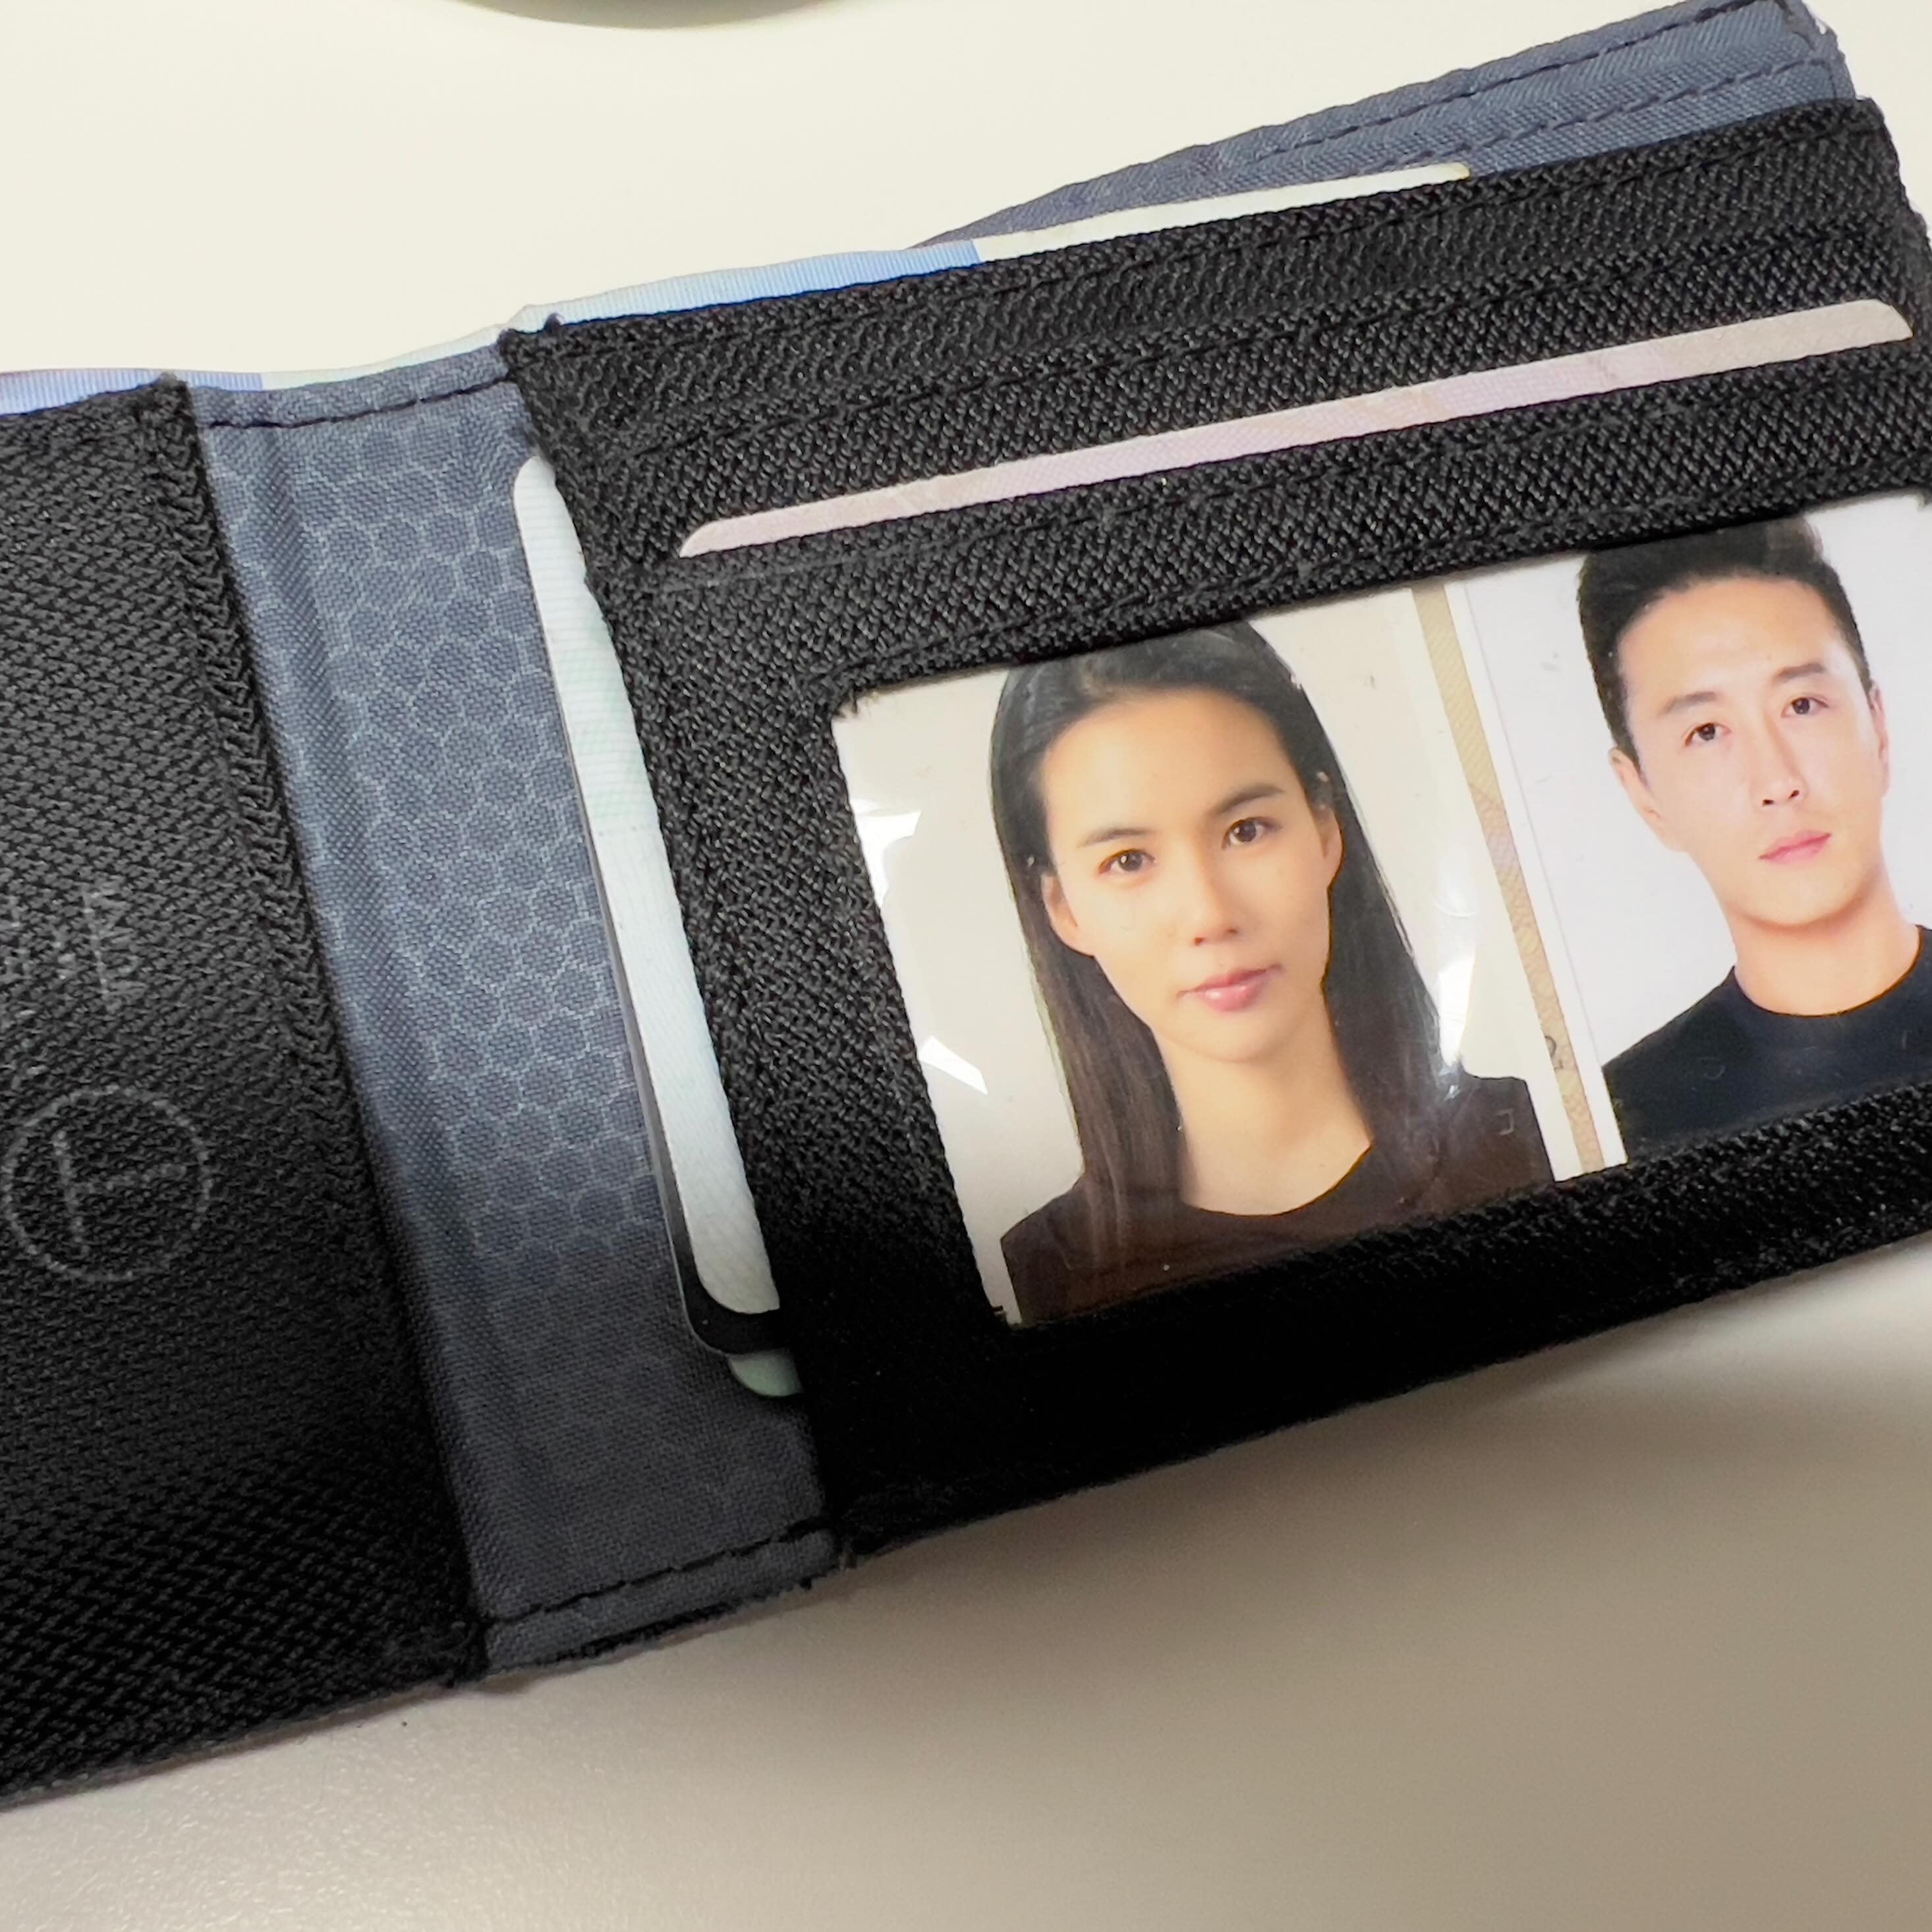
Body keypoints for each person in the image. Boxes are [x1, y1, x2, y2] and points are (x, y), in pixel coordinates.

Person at [990, 621, 1551, 1324]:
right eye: (1128, 861)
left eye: (1246, 830)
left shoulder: (1538, 1142)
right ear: (1062, 907)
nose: (1209, 913)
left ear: (1325, 829)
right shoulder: (1044, 1280)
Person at [1577, 515, 1932, 1160]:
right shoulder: (1609, 1131)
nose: (1777, 782)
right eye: (1706, 732)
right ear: (1643, 794)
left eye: (1801, 705)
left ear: (1878, 729)